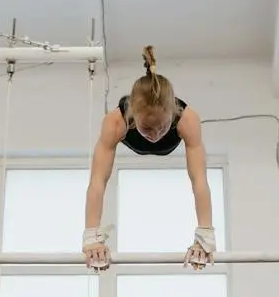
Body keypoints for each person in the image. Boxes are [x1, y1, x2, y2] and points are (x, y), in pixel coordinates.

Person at [83, 47, 215, 271]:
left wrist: (205, 236)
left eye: (162, 126)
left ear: (172, 114)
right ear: (133, 115)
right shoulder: (116, 122)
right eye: (146, 127)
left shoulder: (187, 120)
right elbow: (97, 181)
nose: (155, 135)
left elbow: (199, 180)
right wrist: (91, 237)